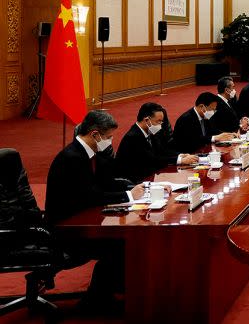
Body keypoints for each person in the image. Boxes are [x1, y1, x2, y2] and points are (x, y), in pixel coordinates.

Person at [45, 111, 143, 311]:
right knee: (121, 243)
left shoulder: (91, 155)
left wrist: (134, 191)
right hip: (66, 228)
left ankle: (107, 292)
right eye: (108, 137)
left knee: (125, 239)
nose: (110, 141)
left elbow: (105, 184)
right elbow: (89, 196)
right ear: (95, 134)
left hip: (83, 218)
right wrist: (128, 197)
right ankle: (97, 299)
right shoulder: (71, 158)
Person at [115, 102, 198, 183]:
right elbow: (152, 160)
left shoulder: (149, 131)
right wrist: (180, 160)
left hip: (149, 174)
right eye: (158, 121)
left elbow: (161, 151)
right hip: (134, 180)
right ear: (147, 120)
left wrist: (180, 155)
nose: (160, 125)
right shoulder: (133, 137)